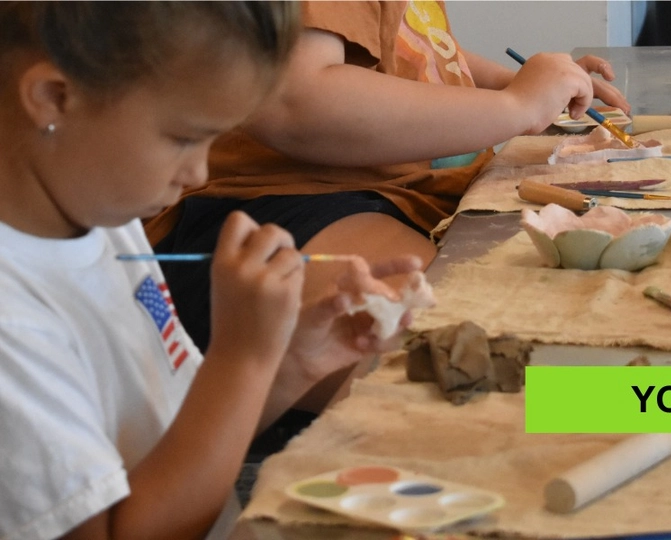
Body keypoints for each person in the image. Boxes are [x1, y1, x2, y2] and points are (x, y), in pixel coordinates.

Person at [0, 2, 419, 538]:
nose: (198, 172)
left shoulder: (101, 216)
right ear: (54, 97)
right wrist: (243, 358)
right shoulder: (14, 320)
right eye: (183, 138)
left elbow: (180, 432)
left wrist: (291, 362)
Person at [143, 2, 632, 406]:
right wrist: (517, 105)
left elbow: (418, 49)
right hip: (267, 212)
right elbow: (294, 101)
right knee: (478, 374)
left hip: (382, 197)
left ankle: (669, 403)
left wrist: (521, 85)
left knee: (560, 340)